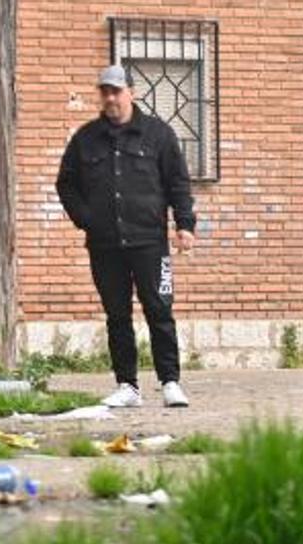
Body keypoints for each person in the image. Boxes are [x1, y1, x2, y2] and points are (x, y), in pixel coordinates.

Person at [56, 64, 196, 408]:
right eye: (105, 91)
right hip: (105, 246)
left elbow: (178, 182)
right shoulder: (86, 138)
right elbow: (66, 184)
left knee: (159, 311)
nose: (110, 98)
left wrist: (184, 224)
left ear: (131, 92)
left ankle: (170, 382)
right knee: (117, 315)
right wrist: (86, 218)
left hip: (150, 242)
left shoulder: (158, 135)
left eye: (116, 91)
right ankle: (127, 386)